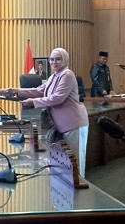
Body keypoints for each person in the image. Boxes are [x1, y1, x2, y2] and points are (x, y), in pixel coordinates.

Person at [13, 47, 89, 176]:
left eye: (58, 59)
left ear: (65, 60)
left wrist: (33, 102)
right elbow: (40, 90)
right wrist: (17, 91)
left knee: (75, 163)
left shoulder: (67, 74)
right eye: (51, 59)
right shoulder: (54, 76)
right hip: (63, 125)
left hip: (74, 123)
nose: (54, 62)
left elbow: (57, 98)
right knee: (66, 162)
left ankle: (78, 186)